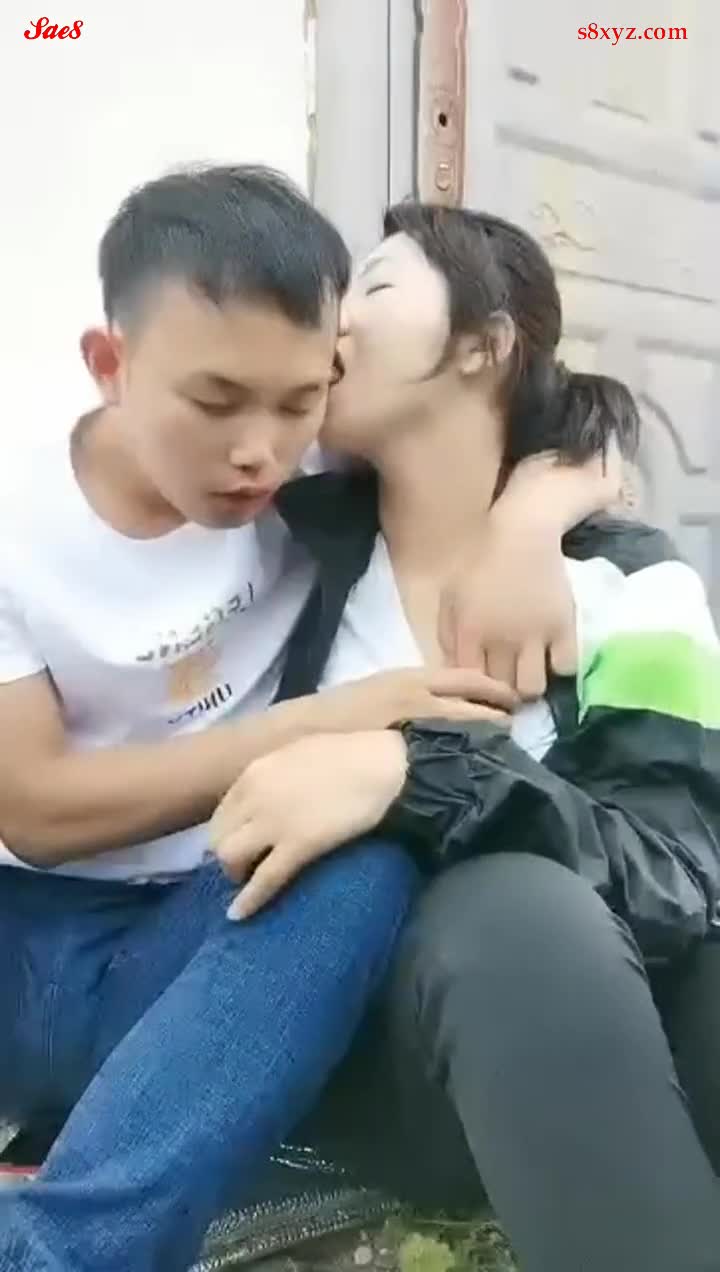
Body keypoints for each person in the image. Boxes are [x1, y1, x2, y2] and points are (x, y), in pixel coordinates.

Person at [0, 167, 617, 1271]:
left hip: (192, 949)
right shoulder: (18, 524)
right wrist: (333, 722)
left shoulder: (311, 479)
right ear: (110, 363)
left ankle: (56, 1250)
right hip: (21, 943)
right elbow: (36, 812)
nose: (259, 450)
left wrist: (529, 525)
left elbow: (577, 429)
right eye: (216, 403)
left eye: (299, 403)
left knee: (360, 853)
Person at [212, 204, 720, 1272]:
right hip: (366, 1043)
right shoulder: (271, 555)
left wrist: (416, 769)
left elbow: (679, 872)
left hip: (592, 1027)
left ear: (483, 345)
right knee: (514, 909)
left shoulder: (635, 585)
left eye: (375, 288)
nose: (335, 321)